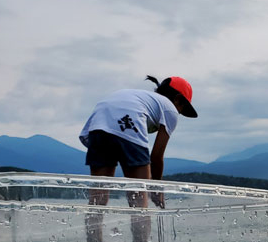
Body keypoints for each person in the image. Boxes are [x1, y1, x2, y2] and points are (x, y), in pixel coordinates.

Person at [79, 75, 198, 208]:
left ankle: (92, 228)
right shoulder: (170, 109)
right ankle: (141, 226)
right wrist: (156, 188)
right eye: (182, 109)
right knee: (139, 201)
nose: (179, 113)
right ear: (177, 99)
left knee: (97, 200)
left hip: (99, 123)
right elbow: (157, 156)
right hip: (129, 120)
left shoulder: (143, 98)